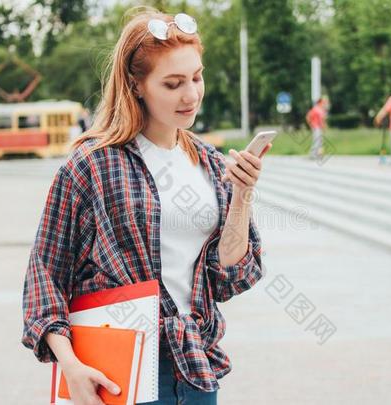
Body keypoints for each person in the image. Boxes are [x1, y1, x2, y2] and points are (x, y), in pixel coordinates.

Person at [21, 9, 271, 405]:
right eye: (172, 84)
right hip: (116, 367)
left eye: (196, 77)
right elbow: (45, 273)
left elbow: (228, 277)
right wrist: (69, 366)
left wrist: (243, 194)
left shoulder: (209, 163)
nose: (190, 95)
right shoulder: (91, 166)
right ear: (136, 85)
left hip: (195, 364)